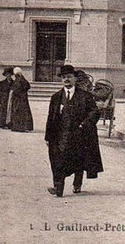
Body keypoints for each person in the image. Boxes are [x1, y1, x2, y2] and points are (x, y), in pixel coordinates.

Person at [45, 64, 102, 197]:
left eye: (69, 77)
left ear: (75, 79)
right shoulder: (56, 97)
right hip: (60, 135)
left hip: (79, 135)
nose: (66, 79)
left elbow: (95, 112)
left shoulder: (85, 96)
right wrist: (48, 137)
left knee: (78, 160)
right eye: (64, 77)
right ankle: (58, 188)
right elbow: (50, 118)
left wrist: (84, 124)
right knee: (58, 160)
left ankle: (77, 183)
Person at [8, 67, 33, 132]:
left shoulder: (18, 80)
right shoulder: (23, 79)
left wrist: (13, 91)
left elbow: (16, 89)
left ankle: (19, 127)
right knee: (23, 112)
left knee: (18, 112)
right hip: (23, 98)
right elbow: (28, 86)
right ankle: (24, 126)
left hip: (18, 99)